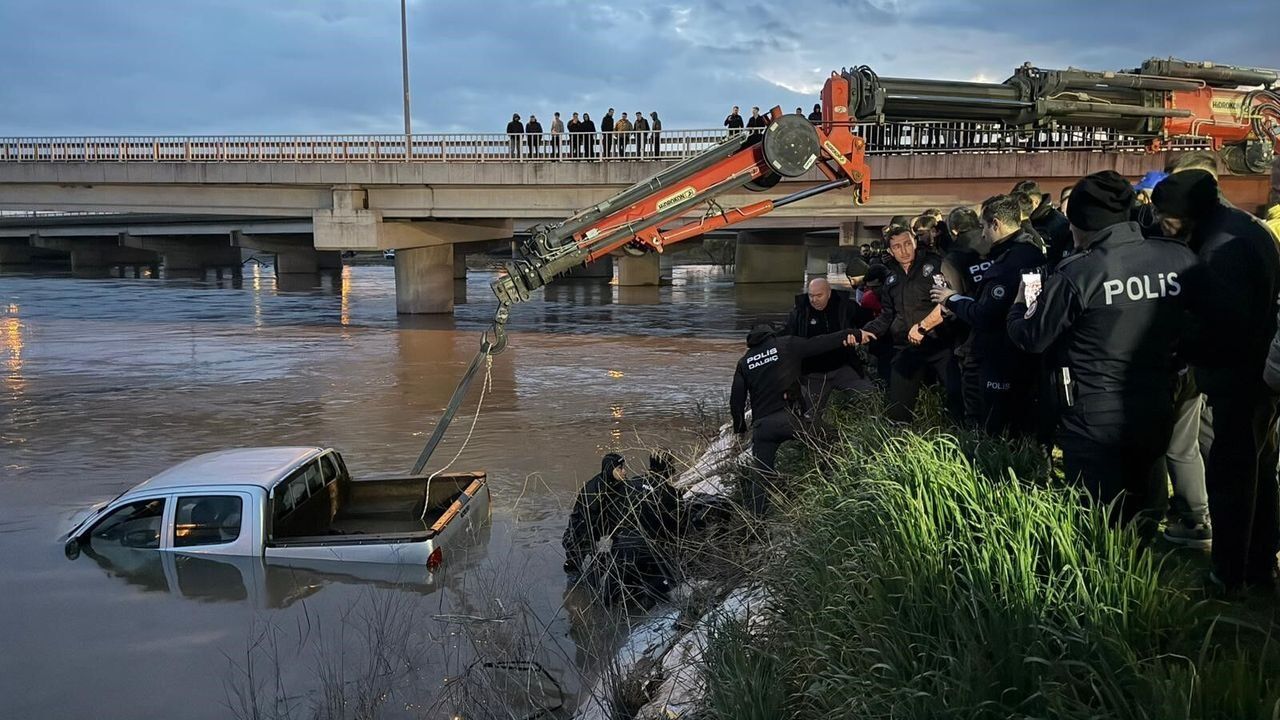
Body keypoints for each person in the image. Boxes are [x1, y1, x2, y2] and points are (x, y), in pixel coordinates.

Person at [1007, 170, 1198, 539]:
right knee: (1146, 504)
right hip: (1158, 400)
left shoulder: (1080, 272)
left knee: (1100, 523)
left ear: (1082, 224)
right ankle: (1146, 577)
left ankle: (1107, 584)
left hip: (1093, 415)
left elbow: (1032, 338)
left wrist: (1018, 307)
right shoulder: (1178, 258)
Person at [1153, 169, 1280, 592]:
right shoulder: (1246, 227)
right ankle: (1259, 566)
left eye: (1164, 216)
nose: (1161, 225)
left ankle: (1227, 575)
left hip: (1239, 376)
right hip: (1257, 375)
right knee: (1259, 471)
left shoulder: (1222, 249)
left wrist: (1182, 346)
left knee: (1231, 478)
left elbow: (1224, 326)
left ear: (1186, 212)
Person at [933, 195, 1044, 436]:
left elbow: (986, 314)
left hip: (1000, 352)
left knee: (992, 426)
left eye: (984, 226)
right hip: (1028, 350)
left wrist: (950, 298)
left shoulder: (1007, 263)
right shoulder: (1033, 252)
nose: (982, 235)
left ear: (996, 224)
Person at [730, 324, 859, 513]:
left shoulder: (744, 362)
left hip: (763, 427)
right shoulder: (786, 344)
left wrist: (740, 429)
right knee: (831, 438)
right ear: (771, 334)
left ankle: (756, 526)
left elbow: (736, 401)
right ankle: (833, 490)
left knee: (761, 478)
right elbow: (820, 343)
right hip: (790, 420)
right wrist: (851, 333)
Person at [858, 225, 951, 422]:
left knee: (958, 402)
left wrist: (923, 327)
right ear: (891, 251)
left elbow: (947, 303)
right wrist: (865, 332)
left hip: (940, 345)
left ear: (915, 242)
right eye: (898, 247)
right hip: (907, 348)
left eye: (908, 243)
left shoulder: (934, 265)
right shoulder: (891, 278)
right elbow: (887, 315)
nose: (904, 250)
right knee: (898, 412)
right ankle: (901, 443)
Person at [782, 277, 872, 412]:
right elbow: (787, 340)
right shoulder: (800, 313)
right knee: (809, 415)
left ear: (829, 293)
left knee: (870, 396)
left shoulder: (845, 307)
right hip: (813, 373)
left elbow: (869, 324)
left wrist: (860, 337)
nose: (814, 300)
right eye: (811, 296)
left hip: (843, 367)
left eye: (819, 295)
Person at [562, 453, 628, 573]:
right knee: (574, 567)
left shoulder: (620, 484)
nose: (624, 471)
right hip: (582, 533)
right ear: (609, 469)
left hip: (604, 528)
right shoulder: (594, 491)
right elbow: (583, 524)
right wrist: (596, 550)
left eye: (623, 467)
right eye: (620, 468)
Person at [1013, 179, 1072, 269]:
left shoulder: (1059, 225)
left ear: (1036, 202)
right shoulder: (1020, 220)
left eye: (1023, 202)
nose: (1018, 207)